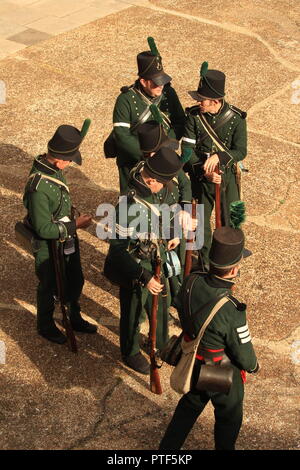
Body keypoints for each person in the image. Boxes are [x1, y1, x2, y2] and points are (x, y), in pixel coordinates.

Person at [159, 226, 259, 450]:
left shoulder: (192, 280)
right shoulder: (231, 309)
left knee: (189, 406)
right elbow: (244, 354)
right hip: (219, 371)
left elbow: (180, 306)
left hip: (193, 360)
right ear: (233, 270)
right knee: (229, 418)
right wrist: (254, 366)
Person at [104, 147, 189, 374]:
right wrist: (144, 276)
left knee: (163, 300)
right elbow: (118, 251)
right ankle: (130, 351)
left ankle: (160, 343)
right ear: (151, 180)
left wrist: (173, 234)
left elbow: (167, 210)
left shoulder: (157, 185)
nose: (165, 186)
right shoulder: (128, 207)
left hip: (156, 257)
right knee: (132, 309)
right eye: (162, 183)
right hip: (135, 265)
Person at [23, 123, 97, 344]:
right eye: (70, 160)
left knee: (75, 279)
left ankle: (72, 317)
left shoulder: (53, 169)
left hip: (65, 238)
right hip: (48, 244)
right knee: (49, 285)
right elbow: (43, 228)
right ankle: (45, 325)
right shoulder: (38, 187)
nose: (71, 163)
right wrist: (75, 225)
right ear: (59, 159)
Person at [182, 61, 247, 269]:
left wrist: (220, 157)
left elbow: (240, 151)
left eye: (203, 100)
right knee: (200, 226)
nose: (199, 102)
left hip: (226, 179)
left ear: (216, 101)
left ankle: (227, 262)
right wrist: (204, 171)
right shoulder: (193, 117)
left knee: (231, 222)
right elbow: (187, 151)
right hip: (202, 179)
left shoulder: (236, 119)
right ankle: (206, 263)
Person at [112, 37, 185, 193]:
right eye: (155, 82)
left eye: (162, 80)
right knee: (129, 206)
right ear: (144, 81)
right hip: (133, 160)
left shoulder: (169, 93)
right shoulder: (125, 99)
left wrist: (165, 145)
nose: (161, 86)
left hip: (163, 158)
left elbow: (180, 122)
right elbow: (122, 135)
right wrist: (146, 153)